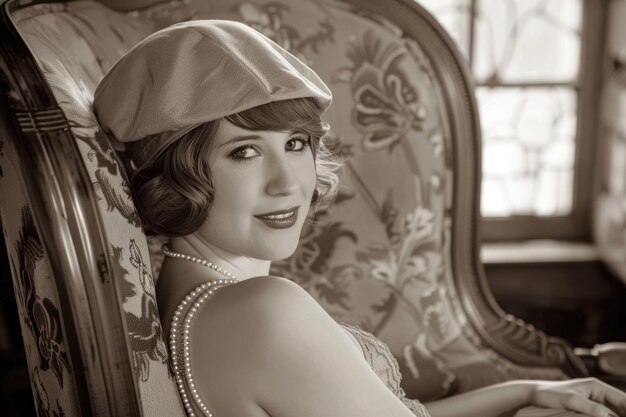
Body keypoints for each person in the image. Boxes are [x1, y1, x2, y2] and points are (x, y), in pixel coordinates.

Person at [93, 20, 626, 417]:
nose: (288, 183)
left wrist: (526, 392)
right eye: (244, 152)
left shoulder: (198, 287)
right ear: (175, 172)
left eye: (296, 144)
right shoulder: (260, 309)